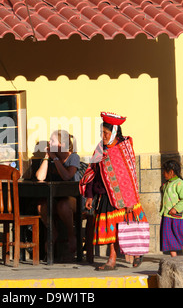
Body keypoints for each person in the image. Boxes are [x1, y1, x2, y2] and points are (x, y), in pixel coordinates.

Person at [80, 112, 149, 270]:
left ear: (115, 132)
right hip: (106, 196)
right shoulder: (100, 149)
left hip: (125, 197)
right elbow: (92, 172)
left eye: (106, 132)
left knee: (130, 226)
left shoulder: (124, 147)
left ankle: (137, 252)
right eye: (101, 132)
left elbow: (130, 173)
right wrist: (89, 196)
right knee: (112, 230)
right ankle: (112, 260)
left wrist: (130, 199)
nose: (103, 136)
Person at [35, 130, 81, 262]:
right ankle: (53, 231)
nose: (49, 143)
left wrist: (55, 159)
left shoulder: (74, 157)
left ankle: (72, 235)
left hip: (73, 199)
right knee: (40, 207)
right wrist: (46, 157)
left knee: (63, 205)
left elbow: (67, 176)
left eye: (53, 141)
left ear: (63, 144)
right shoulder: (50, 159)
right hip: (54, 198)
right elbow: (40, 177)